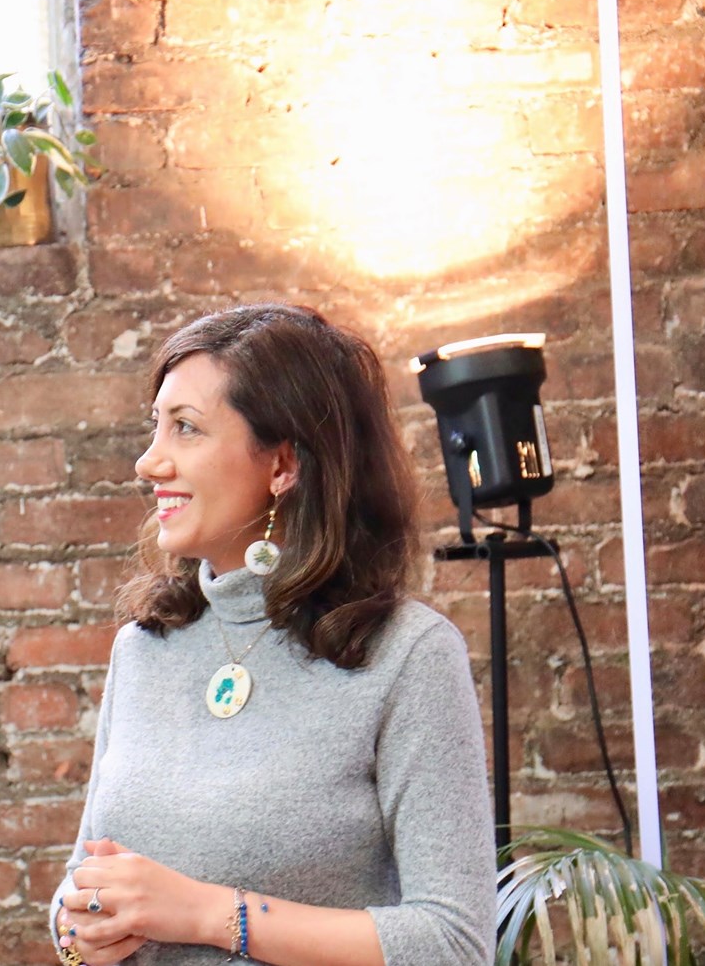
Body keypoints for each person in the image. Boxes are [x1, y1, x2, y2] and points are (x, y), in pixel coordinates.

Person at [49, 303, 494, 966]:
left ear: (283, 463)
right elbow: (79, 885)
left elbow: (453, 943)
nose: (149, 462)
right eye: (155, 426)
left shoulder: (407, 654)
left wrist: (210, 915)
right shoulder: (144, 646)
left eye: (185, 428)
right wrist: (78, 932)